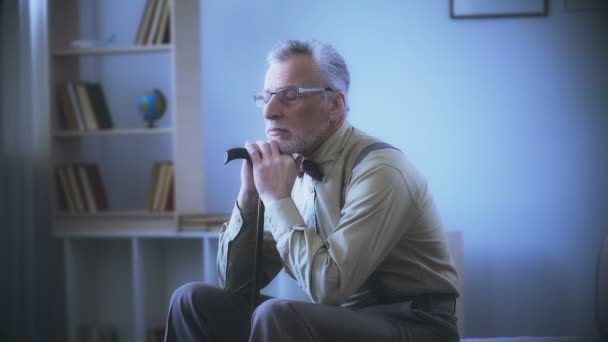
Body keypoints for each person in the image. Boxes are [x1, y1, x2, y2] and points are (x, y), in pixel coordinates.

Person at [164, 39, 460, 342]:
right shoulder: (289, 169)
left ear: (335, 105)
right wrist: (250, 199)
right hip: (344, 320)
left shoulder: (381, 171)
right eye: (265, 97)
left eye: (288, 96)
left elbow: (328, 287)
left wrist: (278, 199)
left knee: (276, 315)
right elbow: (237, 285)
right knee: (191, 301)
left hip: (416, 325)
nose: (269, 112)